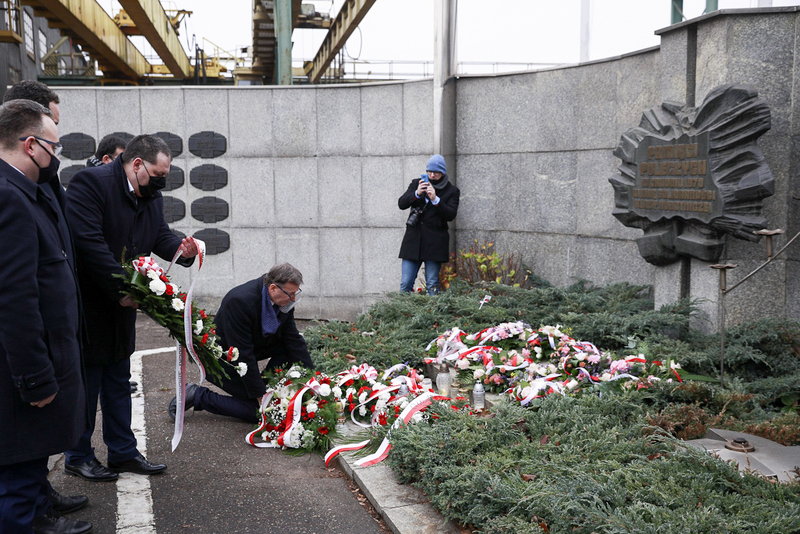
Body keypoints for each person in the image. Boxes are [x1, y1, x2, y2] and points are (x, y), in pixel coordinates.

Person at [64, 134, 198, 481]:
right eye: (157, 174)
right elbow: (87, 242)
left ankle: (122, 452)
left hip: (123, 304)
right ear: (136, 164)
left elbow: (159, 236)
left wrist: (182, 251)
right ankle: (77, 455)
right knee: (87, 382)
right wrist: (119, 287)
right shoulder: (91, 184)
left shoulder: (150, 195)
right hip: (90, 301)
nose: (161, 182)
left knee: (118, 380)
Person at [0, 100, 91, 534]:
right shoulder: (8, 197)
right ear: (31, 144)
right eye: (54, 148)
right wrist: (35, 377)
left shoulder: (25, 191)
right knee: (16, 468)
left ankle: (38, 515)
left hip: (36, 361)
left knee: (30, 460)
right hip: (23, 370)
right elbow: (14, 298)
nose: (57, 158)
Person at [168, 263, 314, 424]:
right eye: (291, 294)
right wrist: (261, 396)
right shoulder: (240, 301)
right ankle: (198, 396)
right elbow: (242, 353)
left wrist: (314, 379)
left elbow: (292, 339)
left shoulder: (284, 300)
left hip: (253, 349)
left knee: (287, 352)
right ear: (273, 288)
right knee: (257, 413)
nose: (293, 299)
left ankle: (268, 385)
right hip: (223, 359)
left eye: (296, 293)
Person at [398, 154, 460, 295]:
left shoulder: (452, 191)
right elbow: (401, 203)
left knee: (432, 283)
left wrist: (436, 200)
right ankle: (403, 314)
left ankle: (433, 315)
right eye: (429, 172)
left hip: (435, 243)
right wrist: (417, 193)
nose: (432, 175)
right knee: (406, 282)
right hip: (413, 242)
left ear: (442, 172)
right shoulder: (416, 184)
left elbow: (451, 215)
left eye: (436, 173)